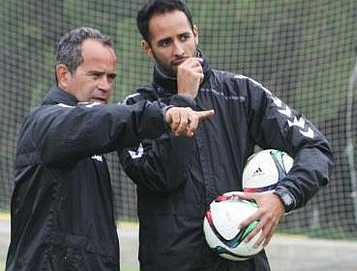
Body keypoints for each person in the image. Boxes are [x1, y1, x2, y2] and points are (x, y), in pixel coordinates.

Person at [118, 0, 334, 270]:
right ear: (147, 48)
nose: (179, 50)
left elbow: (316, 148)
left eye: (184, 37)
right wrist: (184, 100)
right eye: (165, 43)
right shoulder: (136, 110)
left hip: (243, 262)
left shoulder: (241, 93)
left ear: (196, 33)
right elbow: (161, 177)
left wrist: (282, 197)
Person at [5, 27, 213, 271]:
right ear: (63, 75)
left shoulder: (87, 133)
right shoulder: (47, 123)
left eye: (111, 77)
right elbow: (99, 119)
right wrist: (163, 112)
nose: (105, 85)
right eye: (95, 75)